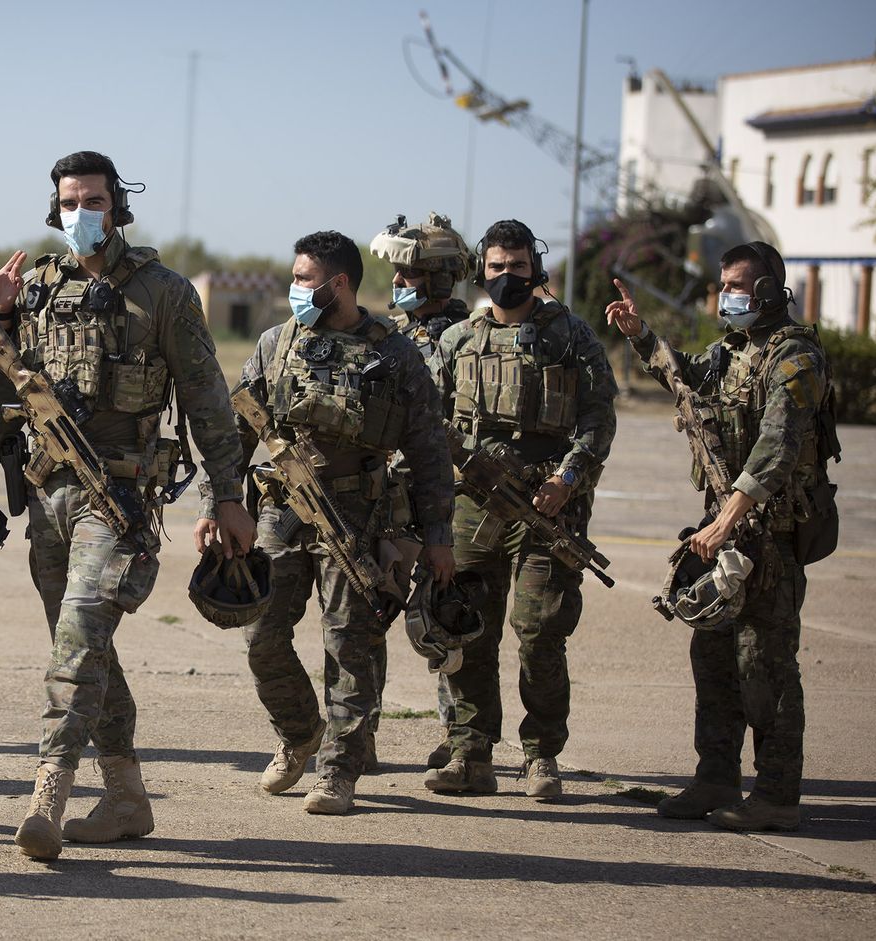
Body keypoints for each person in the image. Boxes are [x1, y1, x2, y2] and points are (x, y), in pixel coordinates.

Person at [0, 151, 255, 859]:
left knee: (77, 643)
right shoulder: (35, 289)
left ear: (117, 206)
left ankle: (47, 797)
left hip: (118, 499)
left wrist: (227, 495)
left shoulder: (164, 293)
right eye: (69, 202)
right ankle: (125, 796)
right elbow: (7, 390)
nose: (80, 213)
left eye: (93, 201)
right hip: (47, 496)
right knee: (87, 649)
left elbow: (208, 401)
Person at [196, 230, 454, 814]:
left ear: (338, 284)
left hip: (359, 516)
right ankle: (298, 732)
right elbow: (234, 432)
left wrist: (437, 537)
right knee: (260, 632)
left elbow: (430, 453)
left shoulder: (396, 354)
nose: (294, 288)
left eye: (303, 279)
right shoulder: (276, 342)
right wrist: (217, 503)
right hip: (281, 511)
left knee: (349, 646)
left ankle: (339, 770)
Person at [605, 241, 835, 832]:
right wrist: (640, 335)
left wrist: (727, 518)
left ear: (767, 290)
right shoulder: (733, 351)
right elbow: (685, 376)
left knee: (765, 667)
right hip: (725, 533)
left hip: (771, 536)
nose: (725, 296)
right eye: (724, 284)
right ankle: (716, 778)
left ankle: (777, 794)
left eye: (735, 286)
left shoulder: (795, 357)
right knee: (712, 659)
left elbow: (777, 447)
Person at [427, 219, 617, 800]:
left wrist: (567, 478)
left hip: (545, 505)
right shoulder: (458, 340)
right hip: (471, 505)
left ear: (535, 267)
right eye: (496, 267)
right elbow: (428, 421)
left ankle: (541, 755)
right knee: (465, 627)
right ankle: (471, 753)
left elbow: (598, 417)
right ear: (480, 271)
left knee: (540, 632)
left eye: (517, 266)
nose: (507, 276)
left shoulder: (571, 336)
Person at [368, 212, 474, 770]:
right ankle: (358, 735)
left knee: (445, 621)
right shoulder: (388, 338)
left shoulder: (469, 340)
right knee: (368, 614)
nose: (397, 283)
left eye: (408, 275)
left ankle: (461, 738)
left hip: (446, 502)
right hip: (389, 499)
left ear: (437, 279)